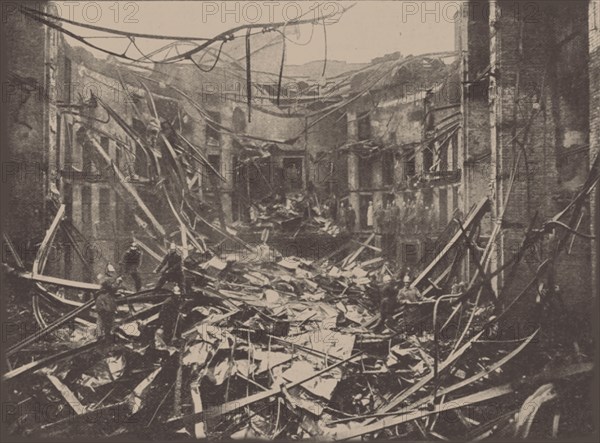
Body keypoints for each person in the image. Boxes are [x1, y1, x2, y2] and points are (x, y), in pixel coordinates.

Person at [95, 272, 119, 341]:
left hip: (104, 308)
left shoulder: (100, 295)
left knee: (101, 323)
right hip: (106, 308)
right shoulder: (107, 294)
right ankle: (104, 336)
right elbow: (113, 288)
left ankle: (101, 336)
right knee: (106, 323)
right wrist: (117, 283)